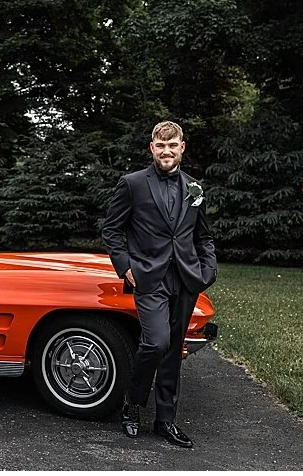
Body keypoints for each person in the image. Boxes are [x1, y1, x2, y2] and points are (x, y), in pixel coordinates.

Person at [101, 120, 218, 449]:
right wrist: (125, 266)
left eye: (172, 145)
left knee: (173, 350)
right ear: (152, 148)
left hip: (185, 279)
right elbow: (112, 230)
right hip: (148, 277)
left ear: (182, 148)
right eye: (160, 145)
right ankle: (133, 404)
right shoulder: (133, 184)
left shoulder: (195, 188)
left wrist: (207, 270)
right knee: (156, 343)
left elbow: (203, 235)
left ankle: (166, 419)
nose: (166, 151)